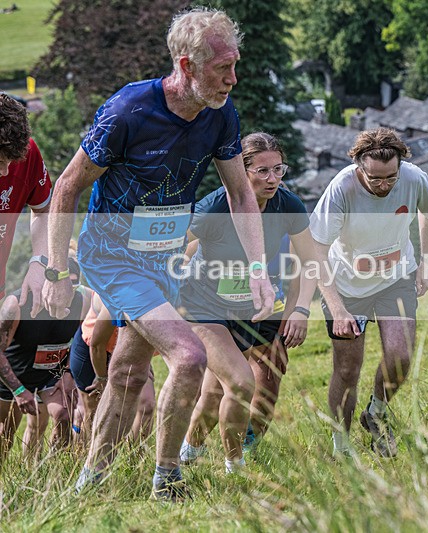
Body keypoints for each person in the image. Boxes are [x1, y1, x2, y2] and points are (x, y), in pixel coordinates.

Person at [41, 7, 273, 501]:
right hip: (113, 256)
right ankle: (167, 478)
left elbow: (239, 193)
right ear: (187, 66)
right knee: (188, 356)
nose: (233, 79)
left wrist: (258, 268)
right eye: (221, 68)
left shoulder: (220, 114)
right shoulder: (129, 110)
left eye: (236, 65)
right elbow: (66, 186)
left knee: (126, 372)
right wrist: (56, 269)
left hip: (163, 259)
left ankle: (90, 481)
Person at [177, 132, 319, 473]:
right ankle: (233, 466)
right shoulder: (214, 207)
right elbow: (179, 246)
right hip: (206, 308)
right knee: (239, 383)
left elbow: (310, 259)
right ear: (241, 172)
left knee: (255, 388)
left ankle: (209, 451)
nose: (273, 179)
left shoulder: (288, 204)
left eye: (279, 170)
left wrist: (300, 308)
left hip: (261, 303)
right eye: (263, 171)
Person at [309, 127, 428, 458]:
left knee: (401, 356)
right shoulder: (341, 188)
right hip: (348, 287)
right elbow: (316, 251)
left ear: (400, 166)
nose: (383, 185)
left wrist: (426, 262)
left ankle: (377, 412)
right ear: (359, 167)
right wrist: (337, 309)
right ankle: (342, 444)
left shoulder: (414, 178)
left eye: (390, 178)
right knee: (348, 369)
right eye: (375, 179)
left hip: (396, 277)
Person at [0, 257, 88, 464]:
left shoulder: (81, 302)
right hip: (14, 374)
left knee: (63, 418)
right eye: (63, 283)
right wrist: (19, 391)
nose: (67, 290)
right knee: (5, 431)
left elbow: (78, 341)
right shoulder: (17, 304)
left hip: (50, 374)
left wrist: (67, 373)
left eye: (74, 284)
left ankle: (52, 477)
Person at [69, 291, 156, 443]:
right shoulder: (114, 294)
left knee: (146, 404)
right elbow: (97, 345)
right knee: (94, 410)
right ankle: (91, 460)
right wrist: (101, 377)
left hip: (128, 351)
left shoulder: (162, 293)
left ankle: (136, 462)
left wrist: (144, 359)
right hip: (93, 351)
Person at [0, 93, 51, 317]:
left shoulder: (28, 153)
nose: (5, 172)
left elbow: (44, 211)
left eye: (12, 161)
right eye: (0, 161)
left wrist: (39, 261)